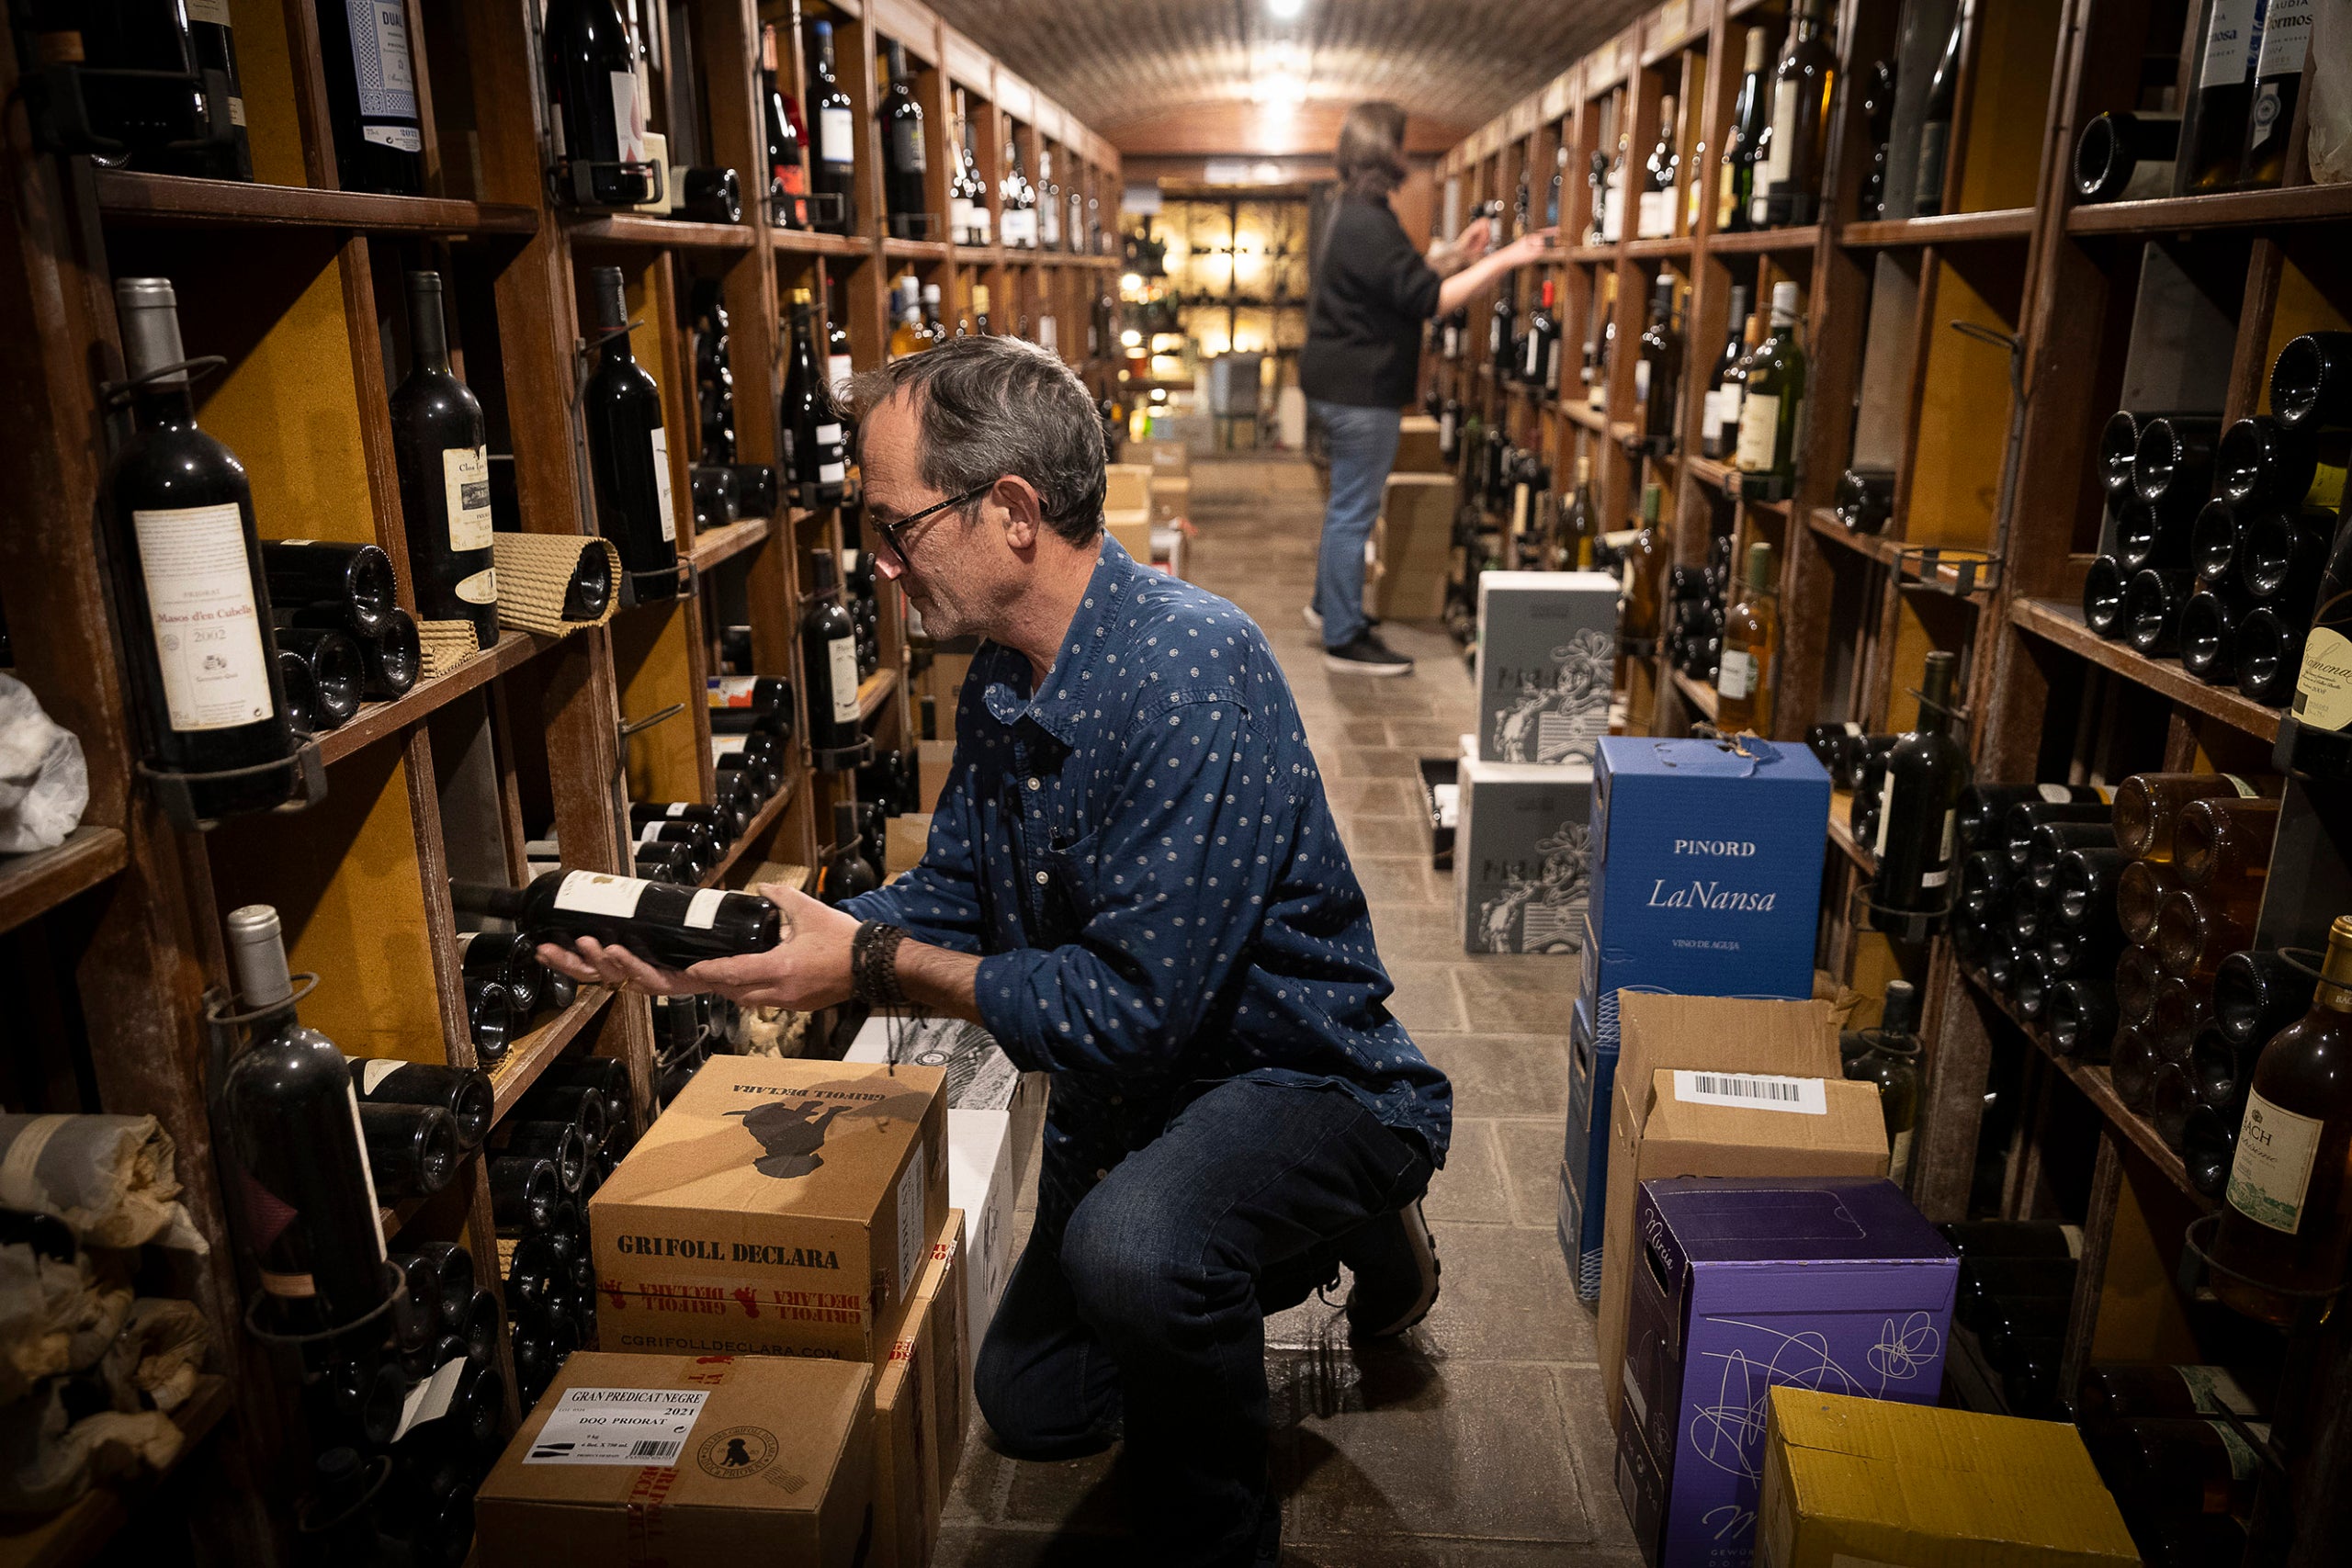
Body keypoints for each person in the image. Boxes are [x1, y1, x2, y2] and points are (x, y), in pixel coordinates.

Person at [539, 334, 1453, 1568]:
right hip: (1140, 1100)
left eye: (892, 526)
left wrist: (870, 966)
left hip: (1295, 1072)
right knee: (1035, 1402)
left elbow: (1128, 1011)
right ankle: (1267, 1243)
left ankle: (1240, 1486)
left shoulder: (1189, 669)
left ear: (1010, 511)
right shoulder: (1009, 676)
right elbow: (964, 888)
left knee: (1136, 1250)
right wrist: (741, 950)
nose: (877, 564)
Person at [1299, 100, 1558, 675]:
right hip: (1359, 391)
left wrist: (1457, 254)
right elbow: (1428, 300)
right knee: (1353, 512)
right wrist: (1509, 258)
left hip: (1338, 382)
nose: (1407, 154)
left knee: (1346, 507)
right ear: (1382, 151)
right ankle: (1344, 639)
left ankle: (1328, 607)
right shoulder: (1369, 219)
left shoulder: (1357, 210)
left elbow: (1403, 276)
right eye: (1400, 143)